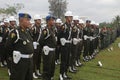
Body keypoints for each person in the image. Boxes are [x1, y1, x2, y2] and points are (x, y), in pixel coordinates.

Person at [5, 13, 34, 80]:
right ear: (21, 21)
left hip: (29, 61)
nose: (29, 22)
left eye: (29, 20)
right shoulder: (15, 32)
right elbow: (8, 46)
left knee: (29, 77)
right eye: (27, 20)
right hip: (20, 61)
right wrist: (14, 56)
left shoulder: (27, 32)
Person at [39, 15, 56, 80]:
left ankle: (50, 77)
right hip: (48, 51)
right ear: (48, 21)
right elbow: (41, 40)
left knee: (52, 66)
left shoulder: (52, 29)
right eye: (52, 20)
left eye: (53, 20)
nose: (53, 22)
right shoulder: (45, 30)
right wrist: (45, 47)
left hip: (53, 51)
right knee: (47, 67)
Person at [59, 11, 73, 80]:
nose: (71, 18)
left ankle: (65, 73)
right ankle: (61, 75)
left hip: (69, 44)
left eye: (71, 17)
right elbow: (59, 35)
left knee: (67, 60)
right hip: (64, 45)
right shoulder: (63, 26)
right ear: (67, 17)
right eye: (70, 17)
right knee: (63, 61)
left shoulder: (70, 26)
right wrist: (62, 40)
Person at [32, 14, 42, 79]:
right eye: (39, 19)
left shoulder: (40, 27)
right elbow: (30, 36)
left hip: (39, 45)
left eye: (40, 20)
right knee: (34, 60)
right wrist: (33, 42)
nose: (40, 21)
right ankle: (33, 72)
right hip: (34, 46)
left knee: (39, 59)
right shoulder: (34, 28)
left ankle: (38, 71)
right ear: (35, 21)